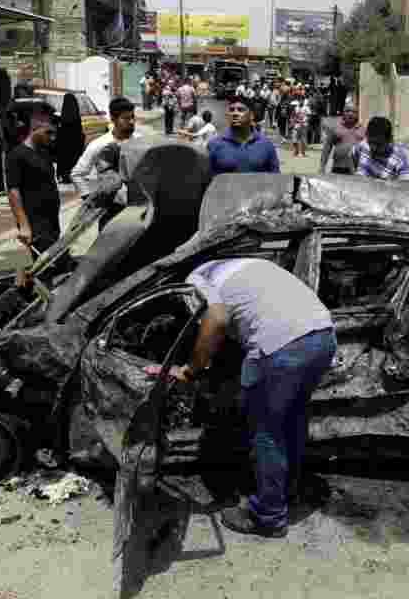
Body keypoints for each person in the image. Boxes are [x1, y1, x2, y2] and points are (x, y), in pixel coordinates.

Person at [148, 258, 336, 537]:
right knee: (292, 421)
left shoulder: (197, 278)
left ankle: (268, 517)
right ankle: (287, 491)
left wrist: (191, 369)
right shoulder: (247, 265)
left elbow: (217, 319)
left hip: (279, 348)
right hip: (323, 337)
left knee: (266, 432)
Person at [71, 97, 139, 229]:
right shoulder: (98, 145)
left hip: (137, 209)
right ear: (113, 119)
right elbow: (77, 174)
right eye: (126, 118)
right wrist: (90, 199)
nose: (131, 122)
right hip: (111, 211)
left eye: (133, 118)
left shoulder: (140, 141)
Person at [6, 111, 61, 255]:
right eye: (48, 132)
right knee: (46, 264)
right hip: (34, 221)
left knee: (53, 261)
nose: (52, 137)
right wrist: (24, 225)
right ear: (35, 128)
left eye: (54, 133)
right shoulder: (17, 155)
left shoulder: (44, 152)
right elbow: (13, 192)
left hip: (51, 218)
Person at [207, 94, 281, 176]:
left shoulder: (266, 144)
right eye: (231, 110)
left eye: (240, 110)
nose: (235, 113)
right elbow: (208, 179)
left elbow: (276, 178)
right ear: (227, 115)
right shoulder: (214, 144)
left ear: (251, 116)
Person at [353, 116, 409, 181]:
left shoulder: (402, 155)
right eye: (371, 142)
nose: (373, 148)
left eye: (378, 144)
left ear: (390, 139)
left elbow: (406, 185)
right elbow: (351, 161)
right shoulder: (362, 146)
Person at [320, 105, 365, 175]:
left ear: (357, 114)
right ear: (343, 113)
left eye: (354, 112)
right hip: (338, 167)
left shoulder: (362, 129)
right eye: (347, 111)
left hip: (357, 168)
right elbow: (327, 147)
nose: (350, 114)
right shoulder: (336, 128)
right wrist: (322, 167)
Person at [54, 93, 86, 184]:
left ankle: (64, 175)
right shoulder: (76, 116)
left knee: (64, 159)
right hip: (75, 142)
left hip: (64, 143)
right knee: (73, 158)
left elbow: (60, 130)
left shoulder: (63, 117)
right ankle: (72, 175)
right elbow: (79, 130)